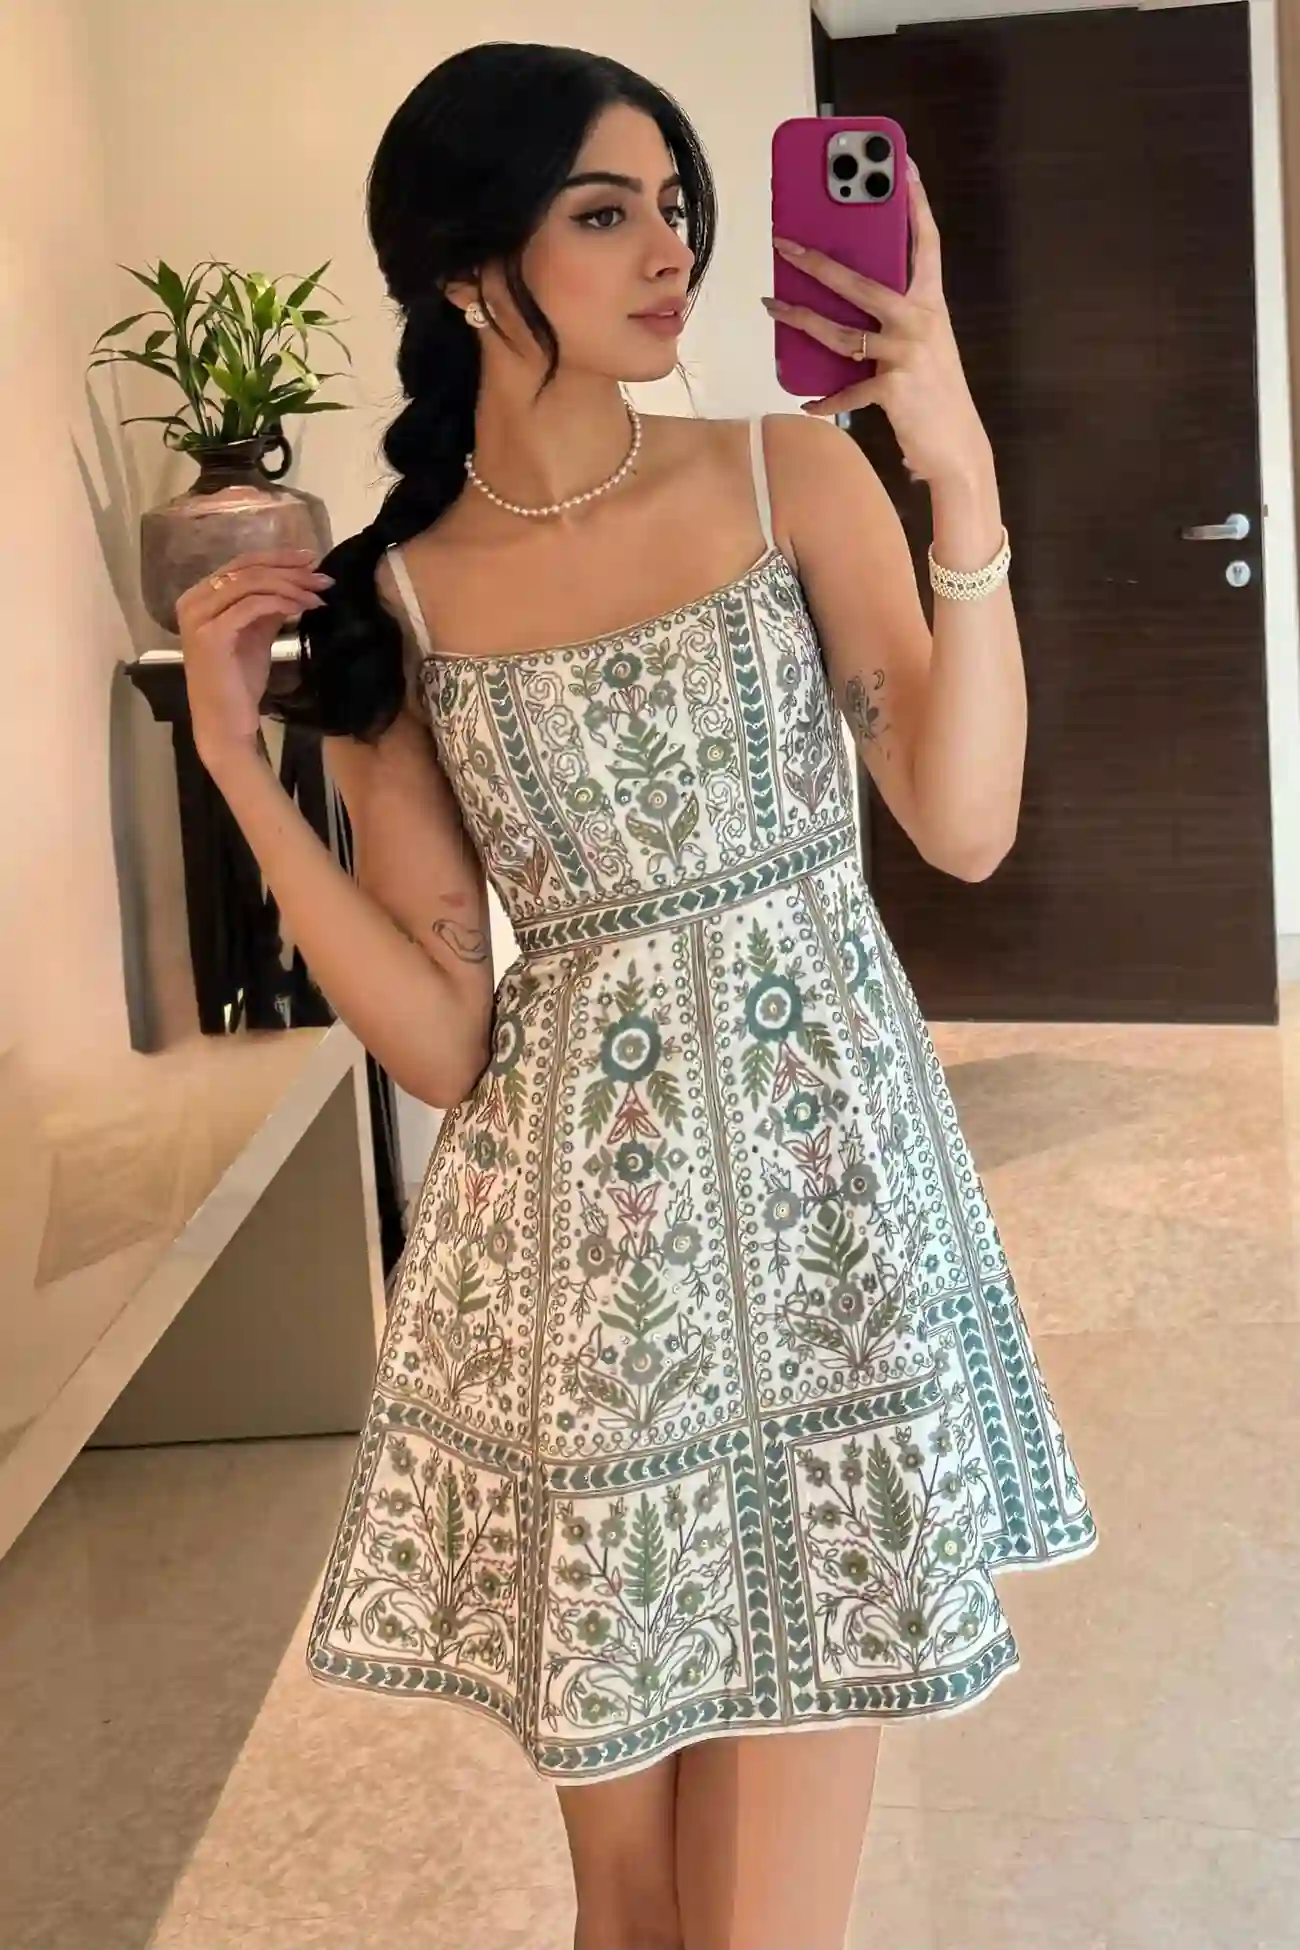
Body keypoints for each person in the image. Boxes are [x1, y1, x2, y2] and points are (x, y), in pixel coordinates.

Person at [177, 41, 1097, 1950]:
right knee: (633, 1910)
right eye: (606, 212)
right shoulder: (398, 602)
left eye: (677, 205)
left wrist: (961, 475)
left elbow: (965, 822)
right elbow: (445, 1035)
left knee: (763, 1928)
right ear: (464, 262)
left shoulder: (787, 472)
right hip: (591, 1301)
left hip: (831, 1250)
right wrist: (245, 781)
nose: (672, 249)